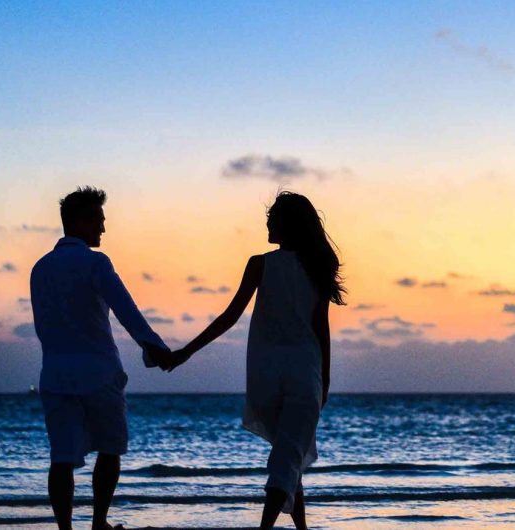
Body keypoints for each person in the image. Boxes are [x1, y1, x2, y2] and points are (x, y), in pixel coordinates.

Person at [165, 191, 345, 530]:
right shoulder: (316, 265)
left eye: (271, 219)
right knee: (288, 456)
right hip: (305, 372)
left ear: (284, 225)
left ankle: (301, 528)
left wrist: (184, 353)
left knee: (288, 454)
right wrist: (327, 378)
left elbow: (229, 317)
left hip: (265, 374)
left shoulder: (260, 264)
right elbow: (320, 327)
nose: (267, 224)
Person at [30, 186, 172, 530]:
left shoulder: (40, 268)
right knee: (110, 449)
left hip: (56, 373)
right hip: (98, 372)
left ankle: (65, 529)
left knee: (61, 457)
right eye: (99, 220)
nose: (104, 229)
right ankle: (98, 523)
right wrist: (154, 346)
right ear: (80, 221)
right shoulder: (95, 262)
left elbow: (42, 323)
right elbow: (126, 309)